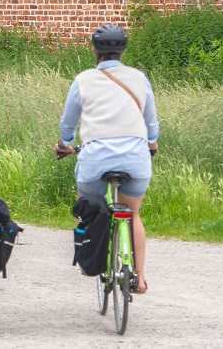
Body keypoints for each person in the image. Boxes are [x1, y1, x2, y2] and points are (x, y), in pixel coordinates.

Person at [55, 24, 159, 294]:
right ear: (123, 50)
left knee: (89, 207)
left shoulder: (83, 80)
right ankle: (141, 277)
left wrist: (65, 144)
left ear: (95, 50)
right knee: (133, 214)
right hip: (136, 158)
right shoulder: (139, 77)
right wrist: (152, 142)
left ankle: (94, 254)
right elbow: (151, 122)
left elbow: (68, 123)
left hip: (95, 159)